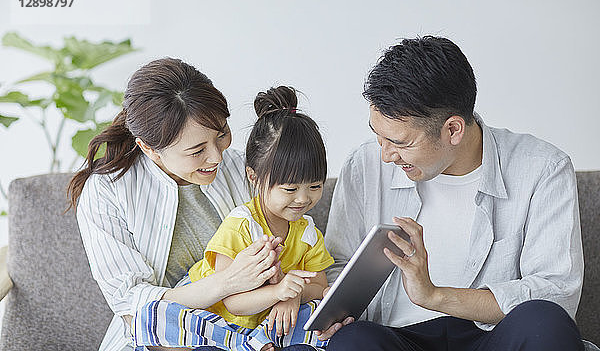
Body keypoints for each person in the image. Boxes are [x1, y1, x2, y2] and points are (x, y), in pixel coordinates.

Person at [319, 36, 585, 351]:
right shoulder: (363, 165)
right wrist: (333, 308)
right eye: (379, 136)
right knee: (353, 342)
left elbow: (555, 293)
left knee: (545, 321)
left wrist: (433, 296)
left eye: (401, 143)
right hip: (398, 339)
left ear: (453, 130)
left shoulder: (543, 168)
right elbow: (337, 265)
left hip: (494, 337)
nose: (386, 155)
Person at [69, 59, 312, 351]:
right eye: (197, 151)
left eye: (221, 133)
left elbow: (301, 245)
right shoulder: (107, 192)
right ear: (149, 148)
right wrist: (225, 283)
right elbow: (130, 303)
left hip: (256, 328)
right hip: (164, 341)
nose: (217, 157)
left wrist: (293, 294)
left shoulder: (242, 168)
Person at [132, 86, 333, 351]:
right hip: (218, 319)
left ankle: (255, 341)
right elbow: (232, 301)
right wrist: (278, 292)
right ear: (254, 177)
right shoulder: (241, 225)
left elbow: (319, 285)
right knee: (152, 317)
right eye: (290, 189)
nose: (303, 199)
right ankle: (247, 343)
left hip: (266, 320)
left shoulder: (307, 232)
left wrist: (293, 294)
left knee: (325, 320)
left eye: (315, 186)